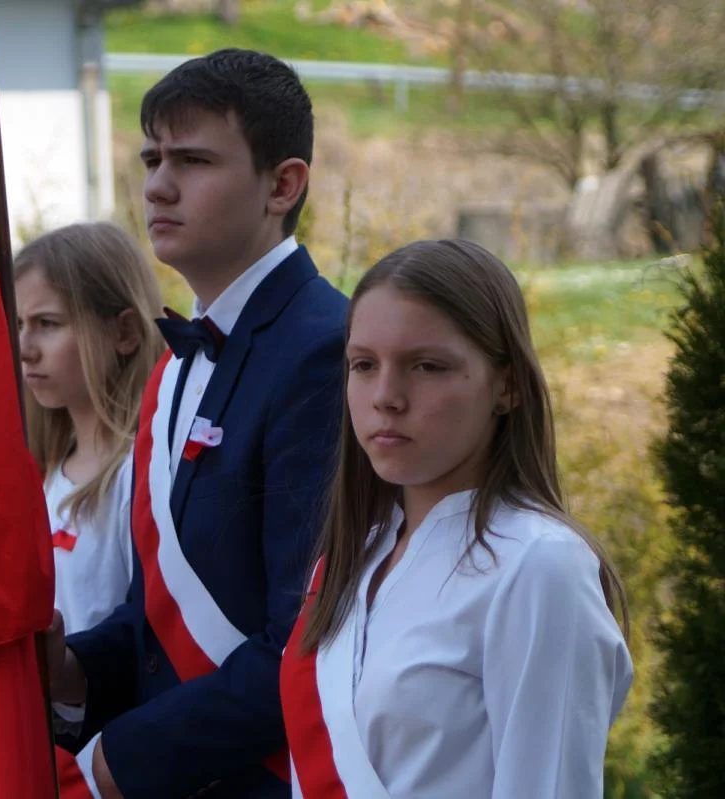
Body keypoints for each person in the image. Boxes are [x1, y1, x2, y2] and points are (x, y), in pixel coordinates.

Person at [46, 48, 350, 798]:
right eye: (151, 157)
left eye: (193, 159)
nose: (157, 184)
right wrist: (72, 668)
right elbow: (157, 607)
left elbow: (304, 637)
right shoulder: (176, 362)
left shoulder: (327, 349)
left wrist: (117, 761)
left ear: (283, 184)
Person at [280, 239, 633, 798]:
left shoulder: (538, 565)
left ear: (507, 384)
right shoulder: (355, 557)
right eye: (364, 365)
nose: (386, 396)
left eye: (427, 366)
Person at [14, 222, 165, 796]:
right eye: (20, 325)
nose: (26, 348)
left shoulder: (143, 472)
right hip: (47, 754)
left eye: (48, 324)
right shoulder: (48, 472)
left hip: (110, 766)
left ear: (124, 330)